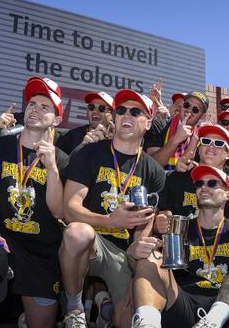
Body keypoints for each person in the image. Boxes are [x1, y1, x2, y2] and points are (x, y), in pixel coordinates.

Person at [59, 89, 166, 327]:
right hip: (90, 242)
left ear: (148, 122)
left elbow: (147, 220)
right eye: (120, 110)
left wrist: (138, 247)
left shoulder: (154, 171)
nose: (126, 115)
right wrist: (111, 221)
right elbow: (69, 209)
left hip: (122, 253)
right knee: (77, 232)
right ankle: (75, 308)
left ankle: (104, 308)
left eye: (135, 111)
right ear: (114, 118)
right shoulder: (89, 153)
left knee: (127, 319)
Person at [129, 165, 229, 328]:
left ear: (228, 194)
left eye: (212, 183)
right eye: (199, 184)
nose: (204, 187)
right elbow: (142, 267)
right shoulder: (179, 228)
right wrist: (134, 253)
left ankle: (213, 320)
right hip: (184, 304)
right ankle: (147, 323)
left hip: (227, 311)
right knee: (149, 260)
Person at [0, 76, 68, 327]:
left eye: (45, 107)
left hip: (39, 251)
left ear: (57, 120)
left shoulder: (63, 160)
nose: (35, 109)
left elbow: (59, 211)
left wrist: (51, 169)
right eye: (32, 103)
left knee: (42, 323)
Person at [145, 91, 209, 170]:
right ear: (182, 106)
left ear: (203, 116)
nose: (189, 110)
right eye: (187, 105)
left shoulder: (200, 139)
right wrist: (176, 139)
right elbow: (151, 165)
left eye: (195, 109)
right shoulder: (160, 125)